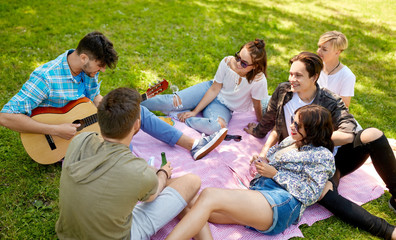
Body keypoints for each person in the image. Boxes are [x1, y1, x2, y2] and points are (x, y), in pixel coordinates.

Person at [0, 31, 227, 161]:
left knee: (135, 110)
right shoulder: (46, 78)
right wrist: (56, 130)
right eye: (100, 65)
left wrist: (112, 106)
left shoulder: (86, 71)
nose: (103, 71)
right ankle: (133, 178)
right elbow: (6, 117)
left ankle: (193, 144)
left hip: (86, 126)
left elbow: (95, 99)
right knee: (119, 142)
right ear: (84, 59)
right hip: (55, 141)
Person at [244, 52, 396, 239]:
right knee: (323, 191)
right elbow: (273, 123)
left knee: (374, 134)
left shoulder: (328, 99)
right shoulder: (284, 92)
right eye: (291, 74)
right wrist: (261, 141)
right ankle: (388, 231)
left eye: (298, 75)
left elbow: (349, 132)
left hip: (334, 155)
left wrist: (313, 136)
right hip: (309, 164)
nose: (292, 79)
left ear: (314, 77)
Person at [165, 105, 336, 239]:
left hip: (281, 202)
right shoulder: (292, 140)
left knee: (209, 195)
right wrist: (262, 162)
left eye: (298, 125)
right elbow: (274, 162)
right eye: (293, 120)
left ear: (313, 130)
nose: (292, 126)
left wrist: (275, 174)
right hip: (262, 194)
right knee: (190, 202)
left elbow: (311, 194)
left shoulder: (322, 156)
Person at [56, 87, 201, 239]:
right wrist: (163, 174)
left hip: (67, 235)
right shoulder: (138, 171)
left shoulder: (79, 140)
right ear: (137, 125)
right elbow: (152, 195)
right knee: (192, 181)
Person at [141, 39, 268, 135]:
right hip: (208, 89)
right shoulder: (227, 62)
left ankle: (179, 116)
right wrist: (195, 111)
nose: (238, 63)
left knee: (217, 128)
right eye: (238, 57)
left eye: (244, 63)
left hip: (223, 106)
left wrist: (260, 126)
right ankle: (132, 102)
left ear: (255, 66)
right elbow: (214, 88)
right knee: (171, 102)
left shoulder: (259, 80)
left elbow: (257, 104)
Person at [317, 31, 355, 108]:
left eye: (324, 49)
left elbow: (344, 107)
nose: (318, 51)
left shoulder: (347, 76)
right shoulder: (315, 66)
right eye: (319, 47)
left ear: (337, 53)